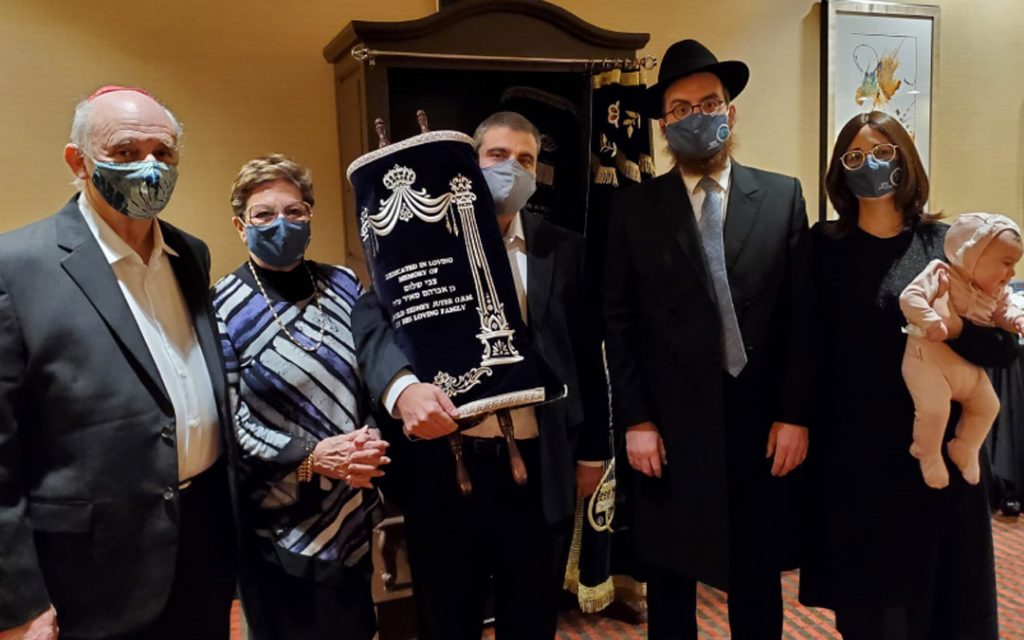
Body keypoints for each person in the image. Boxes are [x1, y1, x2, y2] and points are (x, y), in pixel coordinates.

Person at [353, 111, 610, 640]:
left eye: (525, 160)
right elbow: (370, 322)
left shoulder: (564, 247)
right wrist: (400, 390)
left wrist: (593, 452)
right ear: (469, 163)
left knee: (533, 616)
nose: (510, 169)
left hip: (539, 466)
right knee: (447, 617)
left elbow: (588, 353)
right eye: (496, 156)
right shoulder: (416, 238)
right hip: (445, 464)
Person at [0, 86, 236, 640]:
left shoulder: (191, 254)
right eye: (126, 152)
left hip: (202, 548)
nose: (150, 168)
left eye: (164, 152)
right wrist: (18, 605)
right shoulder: (16, 268)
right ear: (78, 162)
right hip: (89, 574)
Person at [603, 39, 815, 638]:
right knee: (670, 585)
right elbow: (617, 324)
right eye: (681, 109)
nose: (697, 117)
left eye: (709, 103)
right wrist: (636, 420)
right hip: (669, 429)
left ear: (731, 111)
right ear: (664, 124)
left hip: (759, 426)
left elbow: (803, 321)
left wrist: (795, 414)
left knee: (756, 580)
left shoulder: (782, 197)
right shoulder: (634, 210)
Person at [798, 111, 1016, 639]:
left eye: (882, 153)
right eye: (854, 157)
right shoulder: (821, 247)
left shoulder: (947, 244)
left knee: (947, 608)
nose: (868, 165)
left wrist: (953, 330)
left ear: (906, 159)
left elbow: (1002, 347)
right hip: (858, 460)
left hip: (939, 453)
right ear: (839, 172)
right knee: (874, 614)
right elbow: (806, 347)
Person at [213, 155, 389, 640]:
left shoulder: (344, 284)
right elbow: (228, 418)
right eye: (264, 215)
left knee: (354, 625)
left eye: (295, 211)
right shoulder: (220, 306)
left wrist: (368, 441)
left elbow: (373, 372)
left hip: (352, 502)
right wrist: (313, 459)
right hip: (279, 514)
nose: (281, 223)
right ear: (239, 225)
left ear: (310, 215)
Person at [900, 213, 1024, 488]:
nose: (1011, 274)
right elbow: (911, 297)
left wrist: (1017, 319)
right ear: (973, 256)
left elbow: (1004, 313)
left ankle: (965, 446)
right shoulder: (941, 272)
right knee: (933, 410)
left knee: (988, 406)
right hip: (928, 359)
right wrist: (930, 320)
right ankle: (927, 452)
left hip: (966, 368)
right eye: (1006, 263)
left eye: (1014, 265)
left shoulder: (995, 290)